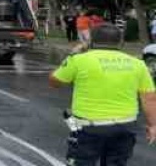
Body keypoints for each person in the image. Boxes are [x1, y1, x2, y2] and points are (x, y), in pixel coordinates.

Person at [49, 24, 156, 166]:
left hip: (88, 128)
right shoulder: (138, 64)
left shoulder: (79, 60)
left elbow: (55, 82)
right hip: (125, 127)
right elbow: (149, 98)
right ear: (121, 42)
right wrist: (152, 125)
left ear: (91, 41)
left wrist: (72, 54)